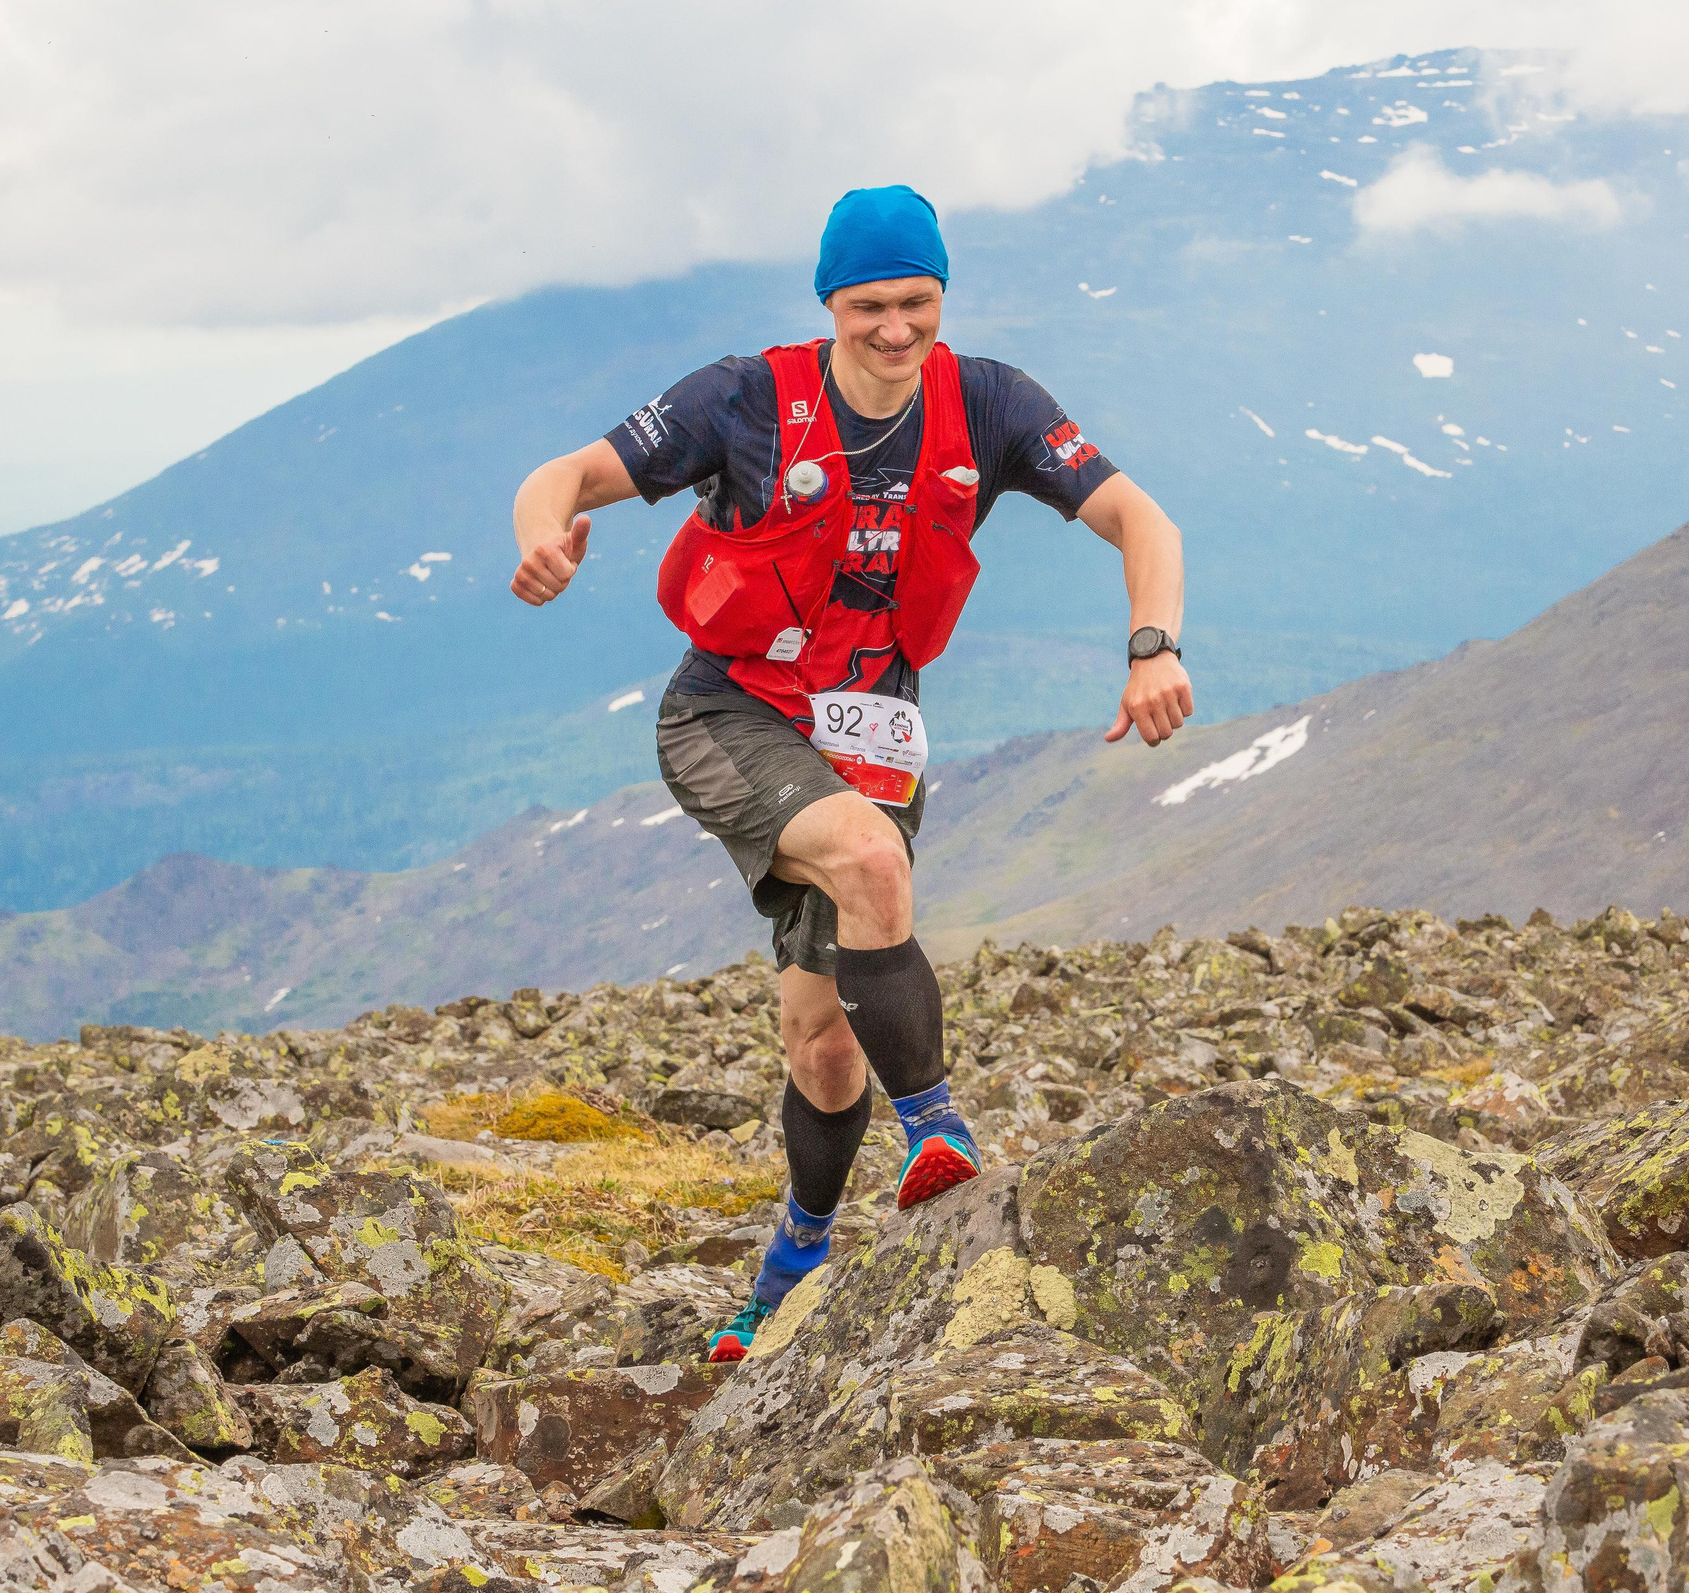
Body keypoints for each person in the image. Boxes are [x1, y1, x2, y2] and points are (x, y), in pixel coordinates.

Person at [510, 185, 1193, 1360]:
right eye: (869, 305)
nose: (894, 329)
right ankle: (940, 1132)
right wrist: (542, 535)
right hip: (727, 713)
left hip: (867, 728)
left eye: (917, 303)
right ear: (830, 303)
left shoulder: (989, 405)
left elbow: (1143, 521)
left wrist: (1153, 644)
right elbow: (565, 476)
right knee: (873, 862)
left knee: (823, 1047)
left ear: (943, 298)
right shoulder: (742, 401)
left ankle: (792, 1261)